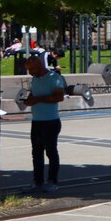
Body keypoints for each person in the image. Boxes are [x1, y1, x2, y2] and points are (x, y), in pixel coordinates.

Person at [25, 53, 65, 193]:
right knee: (36, 152)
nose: (30, 73)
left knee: (51, 151)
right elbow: (32, 95)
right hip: (37, 121)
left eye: (32, 70)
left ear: (39, 67)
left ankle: (52, 181)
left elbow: (59, 97)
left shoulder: (54, 78)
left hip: (50, 121)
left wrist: (39, 100)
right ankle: (37, 180)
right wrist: (28, 100)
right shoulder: (35, 80)